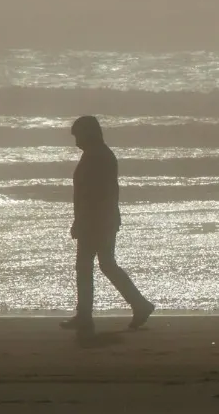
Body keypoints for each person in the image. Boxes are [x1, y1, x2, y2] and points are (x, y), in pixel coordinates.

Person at [61, 116, 155, 334]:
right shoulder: (99, 154)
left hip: (96, 220)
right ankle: (138, 305)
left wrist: (83, 220)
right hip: (100, 219)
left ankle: (86, 316)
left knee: (88, 266)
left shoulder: (98, 156)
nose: (76, 142)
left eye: (78, 136)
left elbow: (96, 194)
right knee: (104, 264)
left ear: (88, 134)